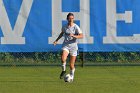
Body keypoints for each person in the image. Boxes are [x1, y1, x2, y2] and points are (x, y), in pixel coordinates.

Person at [53, 13, 83, 81]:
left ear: (73, 19)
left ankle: (71, 77)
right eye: (69, 18)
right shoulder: (64, 26)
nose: (71, 20)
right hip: (66, 45)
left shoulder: (76, 27)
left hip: (73, 47)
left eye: (72, 18)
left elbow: (81, 36)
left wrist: (74, 36)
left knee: (71, 65)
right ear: (67, 19)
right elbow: (62, 33)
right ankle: (63, 71)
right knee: (63, 59)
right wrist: (56, 40)